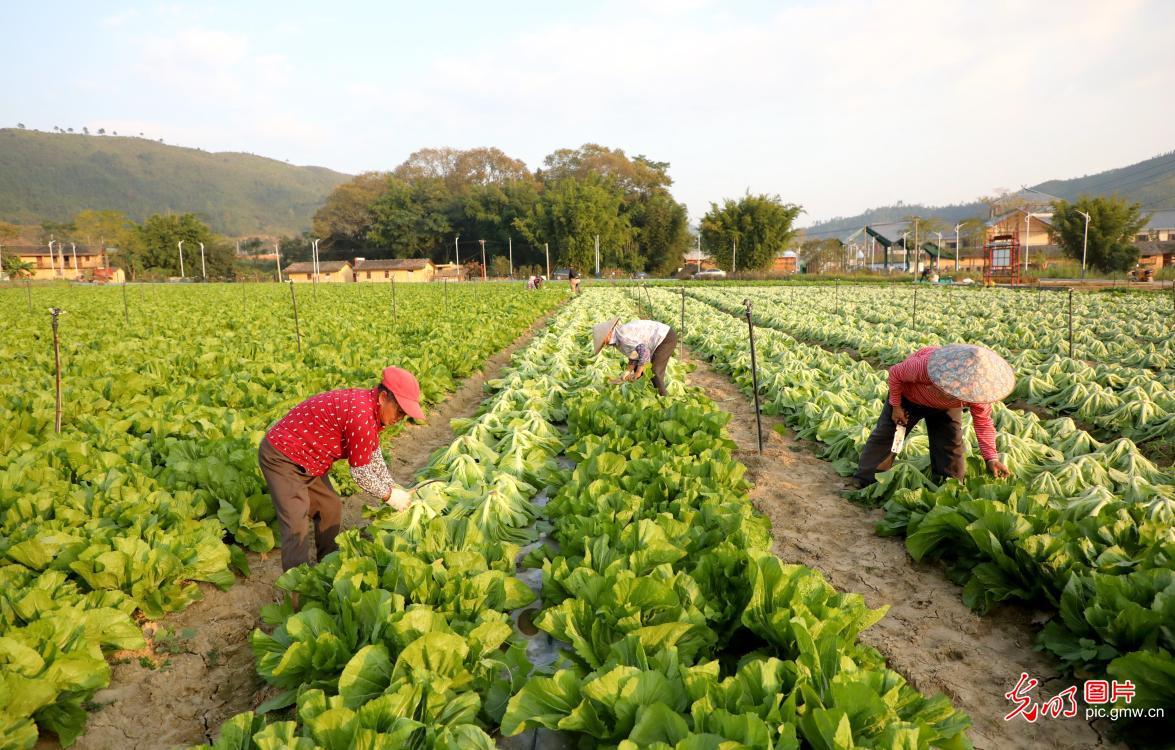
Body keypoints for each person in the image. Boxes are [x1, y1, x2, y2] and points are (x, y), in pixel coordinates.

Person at [258, 366, 425, 571]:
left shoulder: (371, 408)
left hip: (310, 461)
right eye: (399, 410)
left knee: (330, 506)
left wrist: (390, 484)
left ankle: (328, 566)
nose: (400, 418)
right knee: (296, 527)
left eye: (405, 415)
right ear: (383, 397)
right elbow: (360, 472)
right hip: (283, 458)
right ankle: (298, 591)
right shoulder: (361, 415)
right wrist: (389, 496)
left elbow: (373, 453)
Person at [854, 344, 1013, 488]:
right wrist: (896, 406)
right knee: (888, 436)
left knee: (950, 444)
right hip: (909, 398)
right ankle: (866, 480)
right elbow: (895, 373)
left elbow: (983, 424)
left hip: (946, 409)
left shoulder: (978, 394)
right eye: (944, 388)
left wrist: (991, 458)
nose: (946, 392)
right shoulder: (924, 366)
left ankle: (949, 488)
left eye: (954, 394)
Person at [592, 318, 677, 397]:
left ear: (608, 334)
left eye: (602, 341)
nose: (604, 344)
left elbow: (644, 352)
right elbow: (635, 353)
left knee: (654, 371)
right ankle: (646, 394)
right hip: (658, 339)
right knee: (640, 370)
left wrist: (638, 372)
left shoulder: (622, 336)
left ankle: (664, 398)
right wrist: (628, 371)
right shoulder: (617, 338)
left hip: (665, 337)